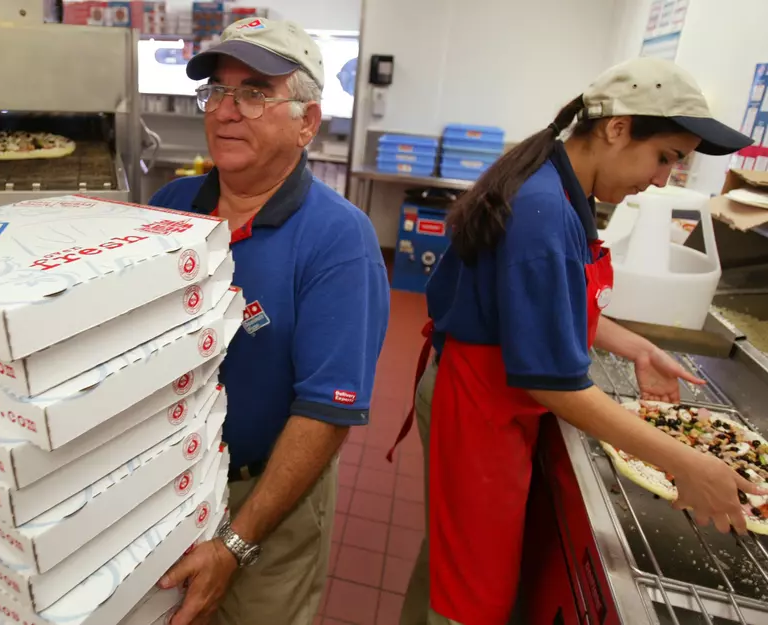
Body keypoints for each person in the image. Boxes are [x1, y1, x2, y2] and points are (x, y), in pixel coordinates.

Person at [391, 57, 758, 625]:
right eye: (665, 157)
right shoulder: (541, 212)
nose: (662, 179)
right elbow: (554, 384)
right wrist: (687, 463)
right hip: (479, 411)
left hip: (481, 393)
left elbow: (539, 303)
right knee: (474, 591)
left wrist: (635, 346)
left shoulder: (557, 186)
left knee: (453, 560)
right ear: (617, 129)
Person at [147, 17, 391, 625]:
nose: (226, 111)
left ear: (306, 123)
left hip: (261, 498)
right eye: (218, 91)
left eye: (255, 92)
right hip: (159, 488)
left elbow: (327, 411)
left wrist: (235, 545)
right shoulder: (170, 208)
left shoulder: (339, 241)